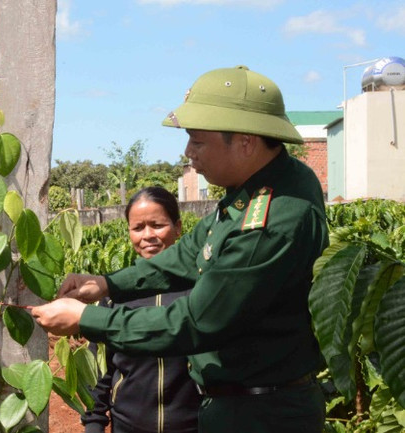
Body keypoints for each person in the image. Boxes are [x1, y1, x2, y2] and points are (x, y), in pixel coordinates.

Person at [32, 66, 328, 433]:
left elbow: (198, 320)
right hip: (242, 404)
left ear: (246, 142)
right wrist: (106, 284)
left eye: (198, 141)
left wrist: (87, 319)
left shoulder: (269, 219)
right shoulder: (258, 188)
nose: (188, 152)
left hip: (260, 415)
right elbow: (189, 252)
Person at [82, 186, 200, 433]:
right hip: (128, 426)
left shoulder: (201, 289)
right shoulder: (114, 294)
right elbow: (99, 371)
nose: (147, 235)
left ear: (178, 228)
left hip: (194, 425)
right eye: (137, 228)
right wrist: (94, 423)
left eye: (157, 225)